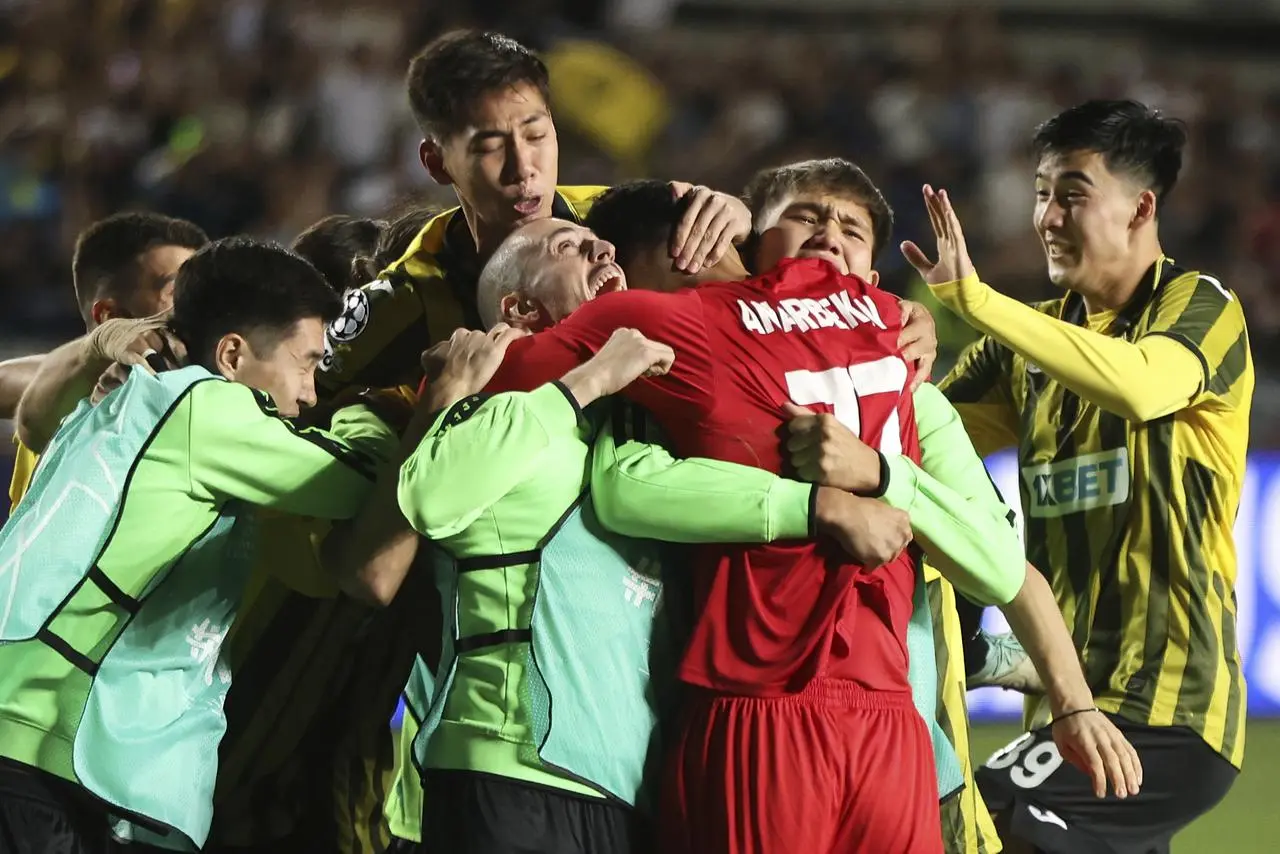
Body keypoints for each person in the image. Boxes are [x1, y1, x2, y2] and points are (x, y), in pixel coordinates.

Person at [474, 173, 1139, 854]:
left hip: (848, 725)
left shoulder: (900, 379)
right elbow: (629, 487)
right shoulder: (678, 354)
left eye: (853, 231)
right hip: (847, 727)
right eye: (809, 222)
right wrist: (821, 502)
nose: (829, 241)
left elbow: (997, 561)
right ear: (754, 245)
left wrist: (879, 475)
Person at [918, 99, 1251, 854]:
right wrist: (888, 346)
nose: (1046, 216)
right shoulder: (1025, 346)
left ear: (1141, 207)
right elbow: (915, 439)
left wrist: (977, 301)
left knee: (980, 819)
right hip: (1069, 705)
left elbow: (1140, 384)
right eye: (1040, 193)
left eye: (1072, 194)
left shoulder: (1200, 307)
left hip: (1171, 705)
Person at [0, 238, 398, 854]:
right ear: (233, 354)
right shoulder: (204, 407)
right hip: (52, 745)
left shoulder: (132, 400)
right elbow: (364, 484)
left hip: (46, 740)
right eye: (306, 363)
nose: (312, 392)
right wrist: (386, 410)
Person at [320, 29, 939, 395]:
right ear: (436, 163)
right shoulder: (402, 299)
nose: (523, 167)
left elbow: (787, 308)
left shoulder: (636, 219)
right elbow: (302, 407)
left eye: (537, 135)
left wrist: (896, 319)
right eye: (489, 147)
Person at [7, 213, 209, 511]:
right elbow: (35, 418)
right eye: (179, 291)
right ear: (109, 317)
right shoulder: (71, 398)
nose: (202, 306)